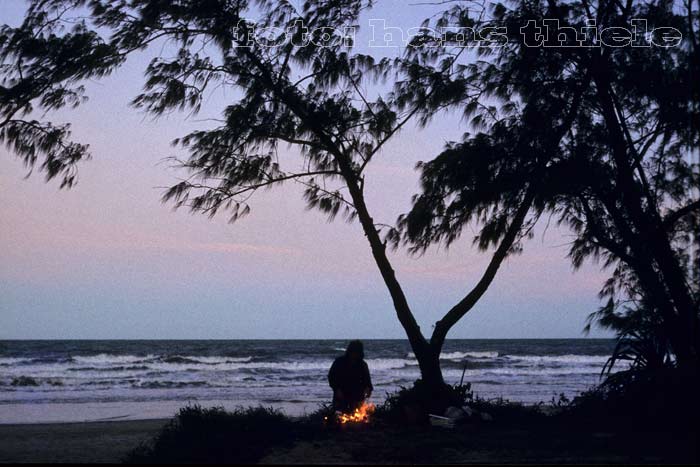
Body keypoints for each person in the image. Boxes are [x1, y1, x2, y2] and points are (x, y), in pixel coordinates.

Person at [328, 340, 373, 412]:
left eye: (357, 352)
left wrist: (369, 388)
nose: (355, 354)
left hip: (358, 395)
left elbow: (367, 379)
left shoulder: (362, 364)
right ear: (350, 350)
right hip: (342, 393)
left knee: (357, 416)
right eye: (354, 351)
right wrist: (336, 389)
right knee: (340, 416)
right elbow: (331, 376)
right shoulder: (339, 362)